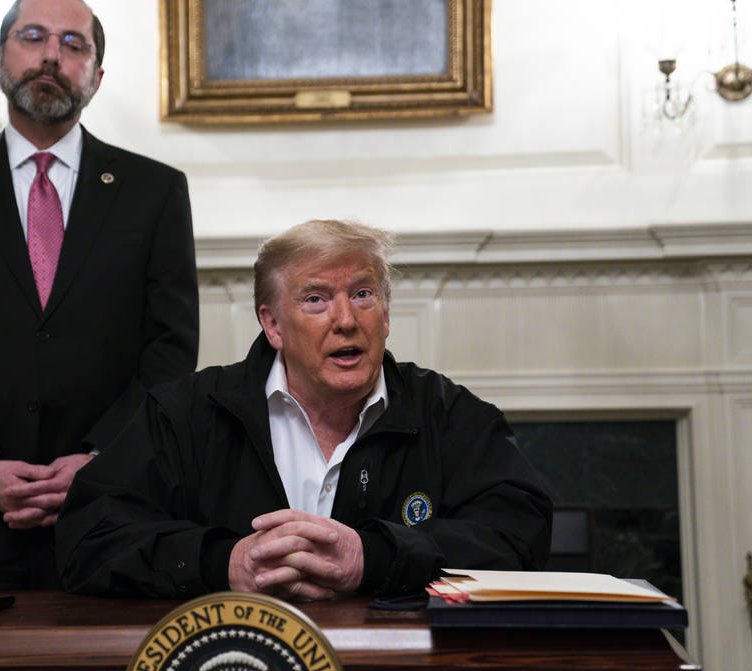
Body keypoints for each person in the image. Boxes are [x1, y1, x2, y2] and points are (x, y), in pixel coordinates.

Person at [0, 0, 198, 601]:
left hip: (115, 515)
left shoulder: (154, 191)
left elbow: (170, 352)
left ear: (97, 77)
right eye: (33, 38)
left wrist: (100, 461)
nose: (52, 55)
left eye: (72, 44)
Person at [56, 220, 550, 600]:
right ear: (272, 326)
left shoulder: (449, 413)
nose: (346, 320)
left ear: (387, 312)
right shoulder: (184, 413)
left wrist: (372, 557)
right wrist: (222, 563)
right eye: (316, 299)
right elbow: (89, 537)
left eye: (363, 294)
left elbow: (520, 537)